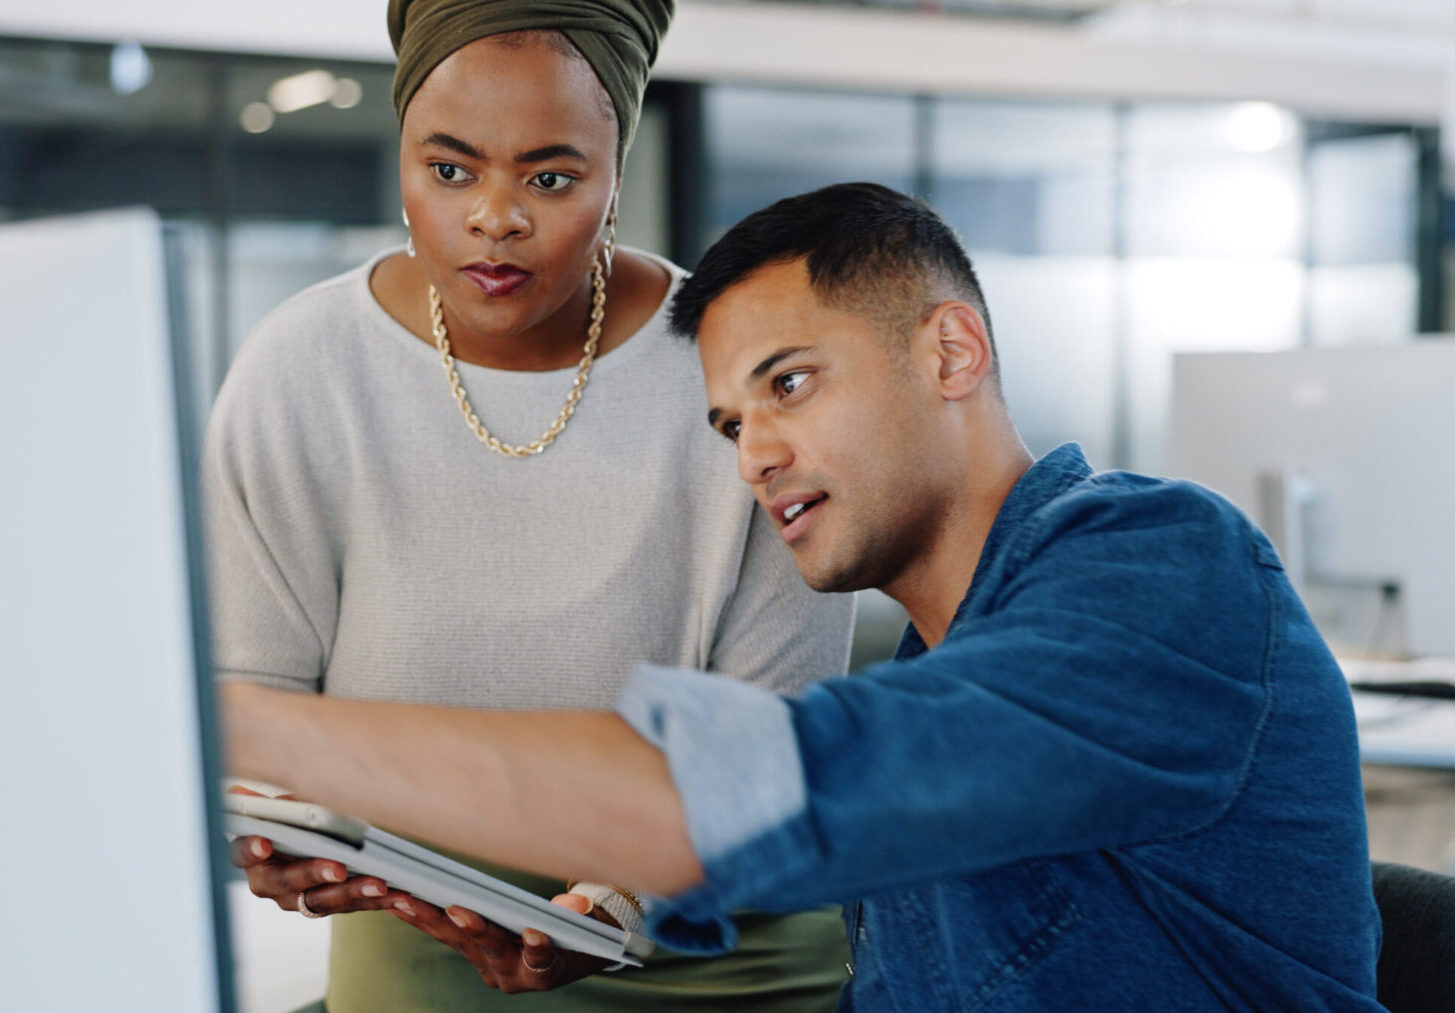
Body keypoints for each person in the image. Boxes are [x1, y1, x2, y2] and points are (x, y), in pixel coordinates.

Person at [220, 182, 1386, 1010]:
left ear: (950, 353)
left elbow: (750, 790)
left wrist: (232, 720)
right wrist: (600, 923)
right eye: (732, 422)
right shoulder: (941, 659)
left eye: (789, 385)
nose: (754, 455)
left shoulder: (1159, 563)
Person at [203, 1, 856, 1008]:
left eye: (550, 178)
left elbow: (776, 725)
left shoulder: (728, 371)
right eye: (450, 169)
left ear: (616, 178)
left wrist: (617, 900)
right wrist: (275, 830)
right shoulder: (302, 370)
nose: (493, 218)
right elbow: (249, 703)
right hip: (420, 928)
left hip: (720, 933)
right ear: (403, 159)